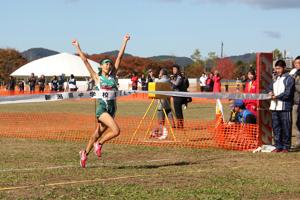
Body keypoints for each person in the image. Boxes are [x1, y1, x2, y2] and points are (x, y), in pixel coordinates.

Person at [72, 34, 130, 167]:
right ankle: (100, 145)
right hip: (102, 110)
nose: (109, 66)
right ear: (101, 66)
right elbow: (85, 61)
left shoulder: (113, 77)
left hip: (112, 110)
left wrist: (124, 41)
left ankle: (84, 153)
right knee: (116, 130)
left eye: (110, 64)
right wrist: (77, 46)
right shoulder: (97, 77)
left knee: (95, 135)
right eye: (106, 64)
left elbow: (119, 58)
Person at [268, 60, 295, 153]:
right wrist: (270, 92)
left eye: (279, 68)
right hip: (275, 107)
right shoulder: (275, 79)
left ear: (284, 68)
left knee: (286, 127)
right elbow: (270, 88)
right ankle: (278, 145)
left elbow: (288, 93)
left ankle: (286, 147)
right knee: (276, 127)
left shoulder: (289, 79)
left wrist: (277, 97)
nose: (277, 70)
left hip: (285, 107)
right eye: (276, 68)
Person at [150, 69, 174, 138]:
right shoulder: (169, 80)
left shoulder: (161, 80)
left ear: (162, 74)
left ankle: (159, 131)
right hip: (167, 101)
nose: (159, 74)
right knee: (169, 112)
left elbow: (156, 84)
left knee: (160, 119)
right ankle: (172, 124)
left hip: (161, 102)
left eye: (160, 73)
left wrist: (152, 78)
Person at [171, 64, 185, 129]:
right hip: (175, 95)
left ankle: (180, 125)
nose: (174, 70)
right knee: (177, 111)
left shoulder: (179, 76)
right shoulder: (175, 76)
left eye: (175, 69)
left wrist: (171, 81)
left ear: (178, 70)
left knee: (178, 111)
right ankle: (179, 124)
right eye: (173, 69)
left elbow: (176, 83)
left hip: (178, 95)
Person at [291, 56, 300, 149]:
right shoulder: (294, 74)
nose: (297, 65)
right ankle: (298, 141)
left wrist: (294, 85)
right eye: (295, 63)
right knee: (295, 123)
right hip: (296, 102)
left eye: (298, 63)